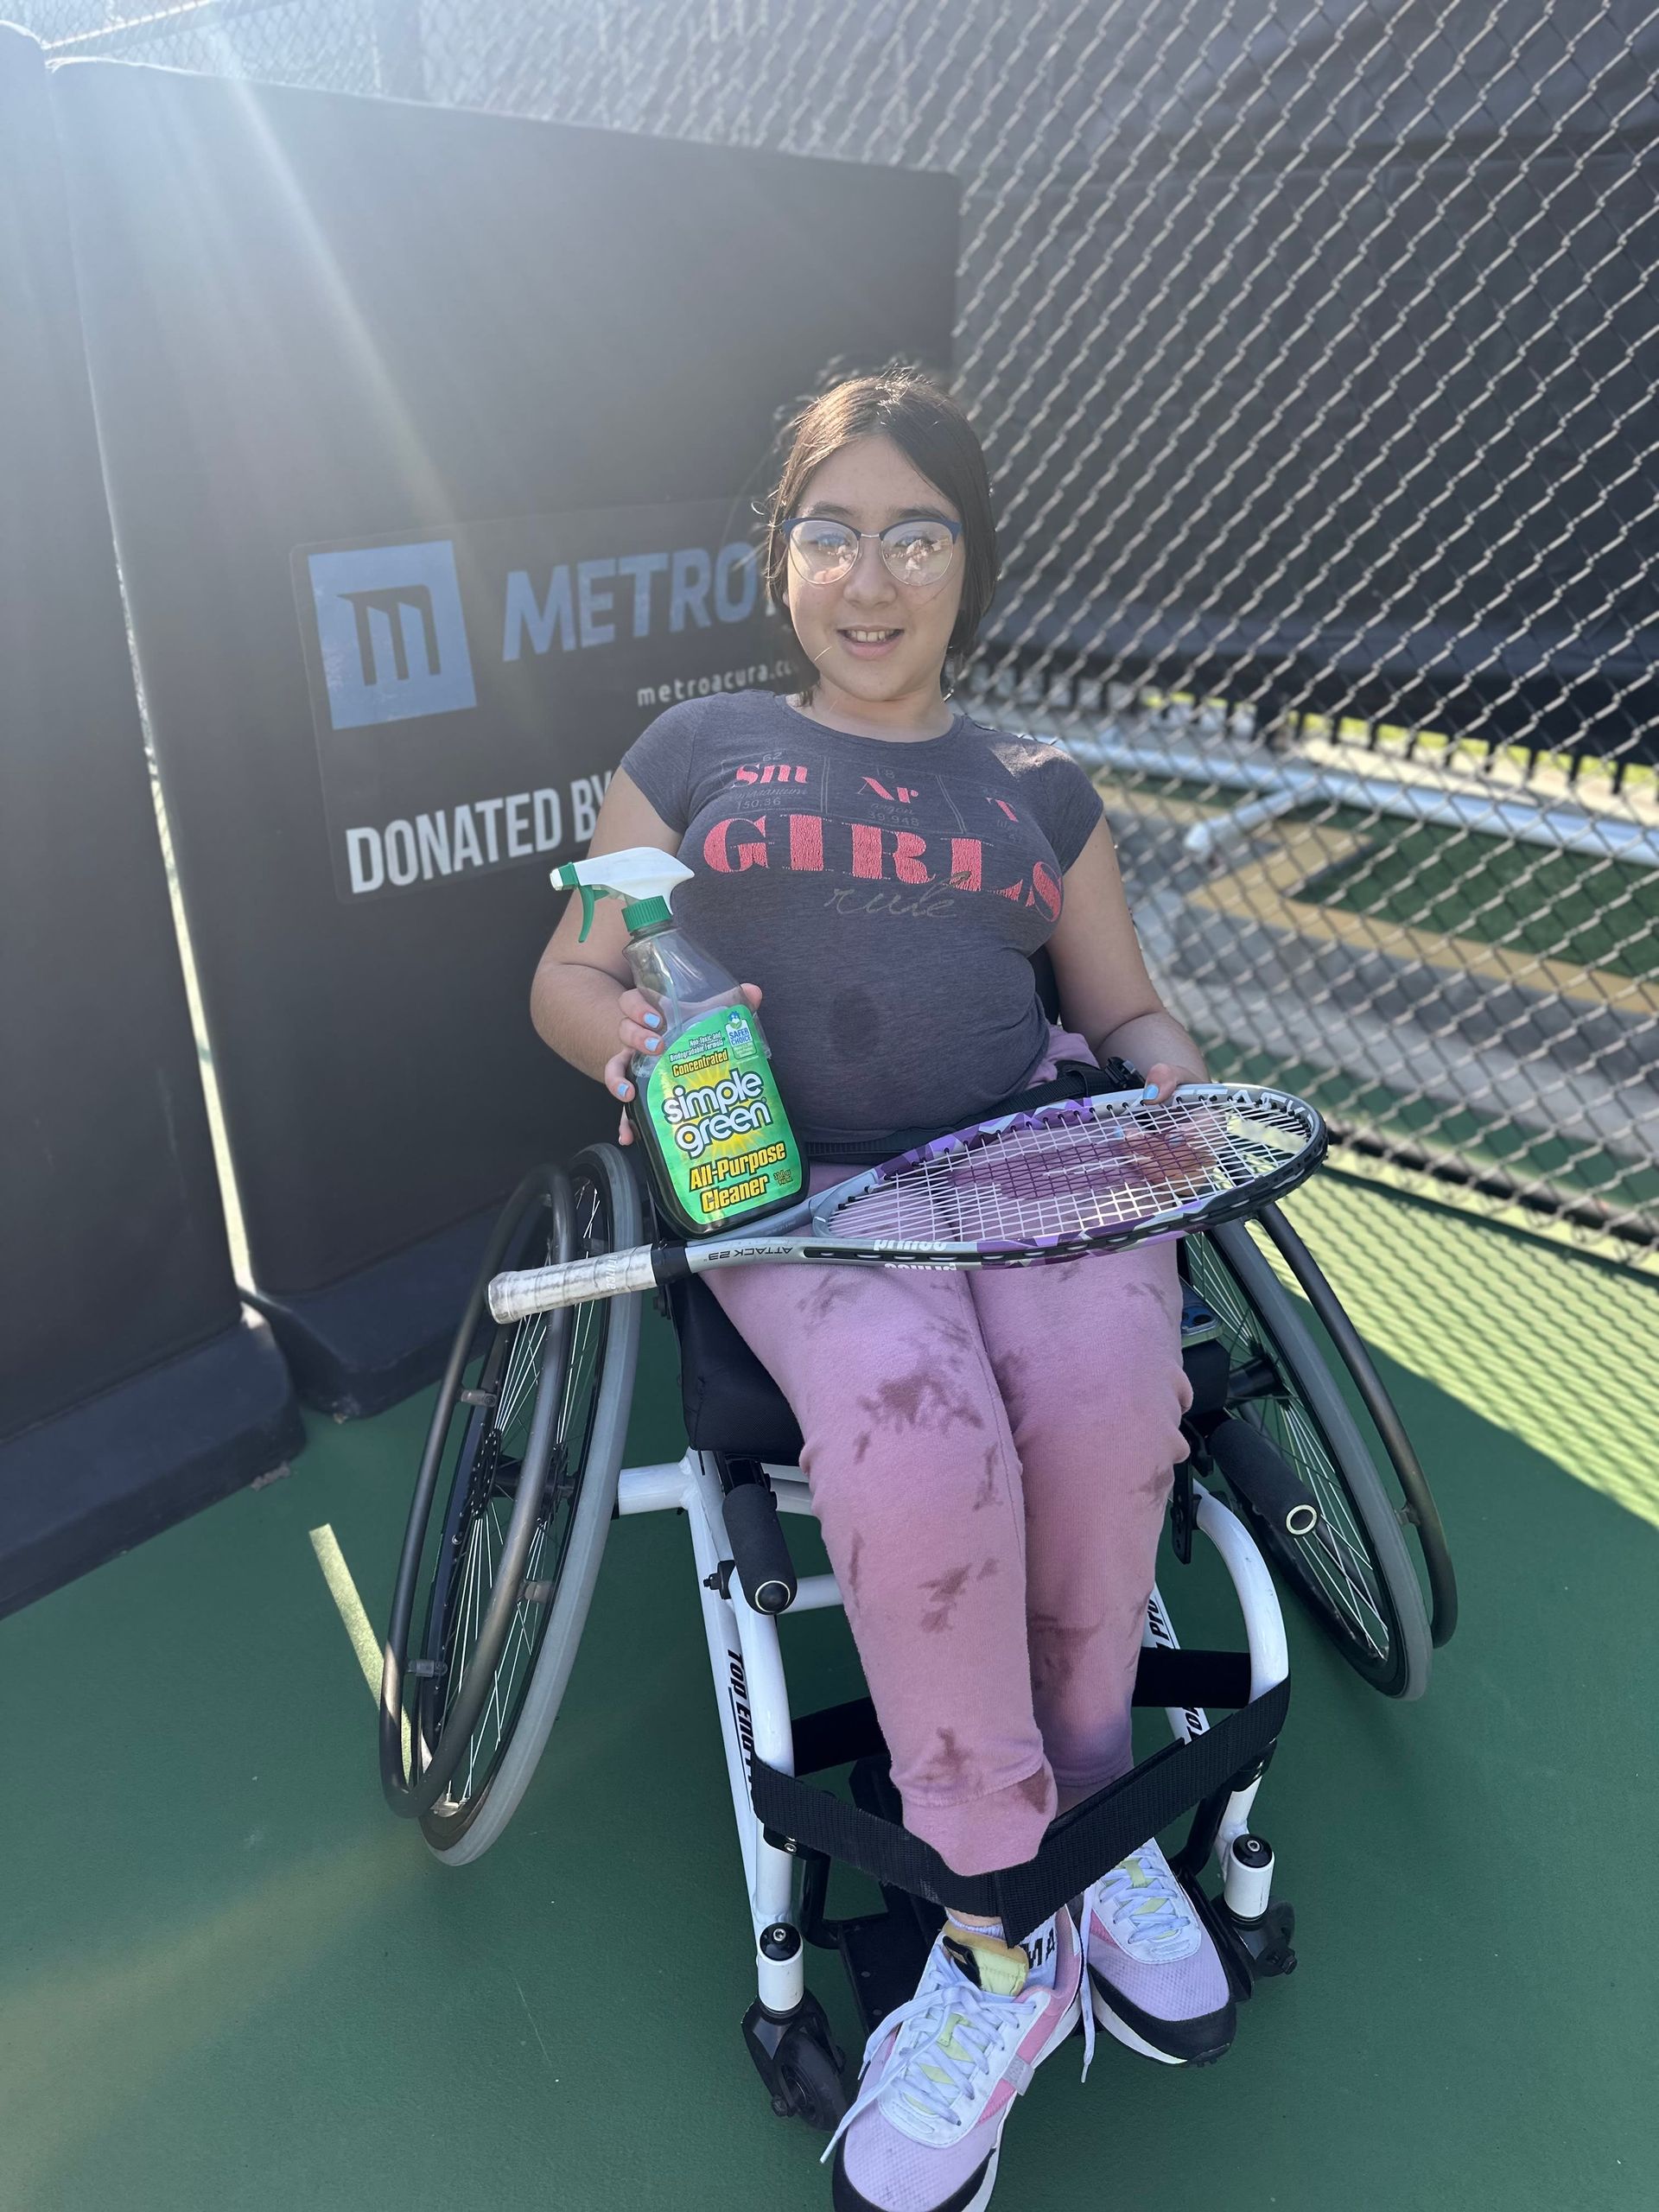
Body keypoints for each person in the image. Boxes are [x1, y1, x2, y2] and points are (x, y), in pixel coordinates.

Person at [531, 368, 1231, 2212]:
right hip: (798, 1185)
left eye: (916, 532)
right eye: (832, 528)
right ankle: (1001, 1918)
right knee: (919, 1449)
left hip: (1029, 1161)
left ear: (967, 564)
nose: (872, 573)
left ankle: (1089, 1813)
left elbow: (1122, 1005)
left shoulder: (1042, 790)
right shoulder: (686, 753)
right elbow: (569, 969)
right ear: (782, 558)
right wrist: (631, 1030)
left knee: (1102, 1403)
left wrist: (1168, 1075)